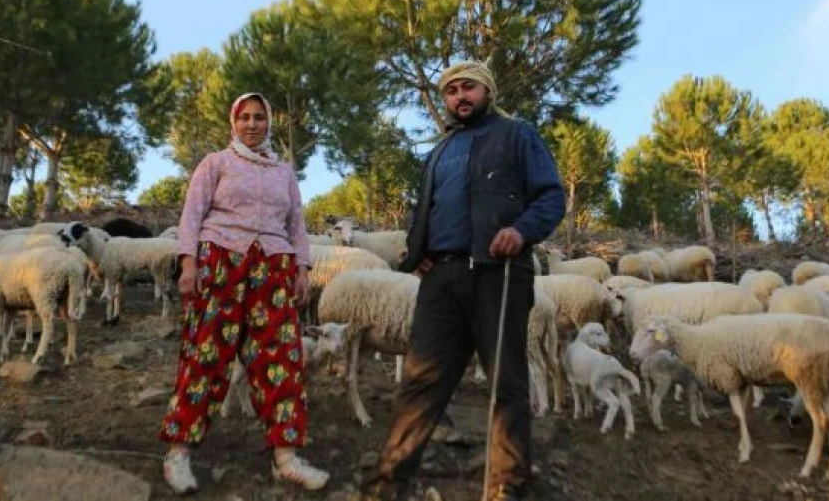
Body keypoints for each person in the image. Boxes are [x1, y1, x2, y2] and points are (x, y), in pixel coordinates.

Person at [358, 61, 566, 501]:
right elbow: (425, 207)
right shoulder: (440, 150)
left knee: (506, 381)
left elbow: (550, 196)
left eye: (467, 87)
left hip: (499, 272)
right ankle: (389, 482)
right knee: (420, 381)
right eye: (451, 91)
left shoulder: (517, 135)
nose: (459, 97)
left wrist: (521, 230)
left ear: (486, 90)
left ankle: (507, 484)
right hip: (443, 280)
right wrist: (418, 252)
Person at [159, 92, 330, 495]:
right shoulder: (215, 163)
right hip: (221, 264)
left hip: (273, 269)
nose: (252, 124)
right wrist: (189, 263)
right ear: (233, 123)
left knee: (281, 358)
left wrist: (302, 268)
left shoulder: (284, 172)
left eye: (259, 118)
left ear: (269, 123)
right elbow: (192, 213)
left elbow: (296, 224)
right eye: (245, 118)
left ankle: (286, 458)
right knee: (206, 356)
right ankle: (178, 453)